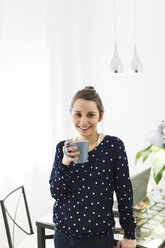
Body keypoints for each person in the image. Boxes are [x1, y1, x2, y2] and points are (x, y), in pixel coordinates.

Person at [49, 86, 137, 248]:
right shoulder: (62, 147)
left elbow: (124, 191)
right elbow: (56, 193)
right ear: (71, 115)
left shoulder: (113, 146)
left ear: (100, 115)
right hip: (63, 235)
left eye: (90, 115)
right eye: (78, 114)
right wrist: (65, 163)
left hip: (98, 238)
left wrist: (129, 233)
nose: (83, 121)